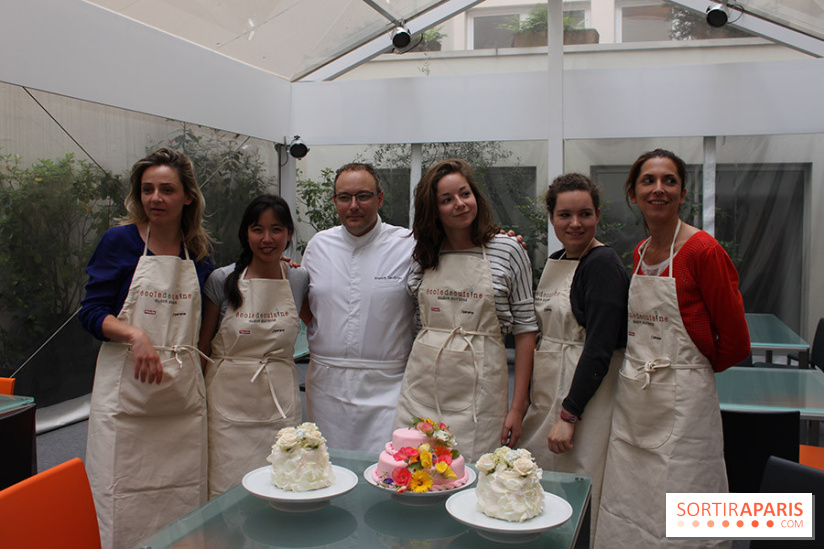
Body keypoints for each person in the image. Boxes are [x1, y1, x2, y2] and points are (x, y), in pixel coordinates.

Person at [595, 149, 750, 548]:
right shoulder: (640, 253)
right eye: (648, 181)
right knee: (632, 499)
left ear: (683, 193)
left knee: (686, 495)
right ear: (633, 193)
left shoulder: (703, 251)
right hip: (637, 401)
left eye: (669, 181)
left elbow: (736, 343)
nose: (658, 189)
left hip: (686, 404)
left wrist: (691, 371)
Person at [80, 148, 214, 549]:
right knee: (119, 496)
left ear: (187, 196)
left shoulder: (200, 255)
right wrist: (135, 335)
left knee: (182, 493)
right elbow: (90, 313)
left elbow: (209, 321)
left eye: (167, 189)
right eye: (148, 189)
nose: (155, 198)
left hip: (179, 400)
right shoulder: (118, 242)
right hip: (127, 397)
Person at [393, 158, 537, 461]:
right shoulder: (424, 254)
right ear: (433, 210)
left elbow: (525, 331)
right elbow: (418, 324)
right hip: (422, 387)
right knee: (415, 471)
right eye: (446, 200)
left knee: (472, 479)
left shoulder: (509, 250)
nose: (459, 204)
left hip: (480, 395)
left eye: (464, 194)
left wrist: (518, 406)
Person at [519, 173, 628, 543]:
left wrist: (570, 414)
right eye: (565, 215)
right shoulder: (556, 261)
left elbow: (600, 347)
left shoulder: (603, 265)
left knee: (581, 483)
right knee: (544, 484)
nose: (575, 223)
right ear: (552, 218)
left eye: (584, 214)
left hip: (585, 396)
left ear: (598, 214)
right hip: (549, 389)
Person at [197, 194, 308, 498]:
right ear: (246, 234)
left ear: (288, 234)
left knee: (280, 482)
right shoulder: (222, 279)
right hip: (226, 403)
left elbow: (319, 323)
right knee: (226, 484)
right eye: (257, 229)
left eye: (277, 229)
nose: (267, 238)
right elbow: (204, 346)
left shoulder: (298, 278)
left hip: (277, 400)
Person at [301, 163, 415, 452]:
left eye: (363, 196)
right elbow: (306, 304)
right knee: (327, 468)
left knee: (386, 468)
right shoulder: (318, 246)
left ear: (379, 198)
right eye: (344, 197)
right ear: (335, 201)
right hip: (327, 385)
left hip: (389, 384)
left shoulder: (408, 244)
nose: (354, 206)